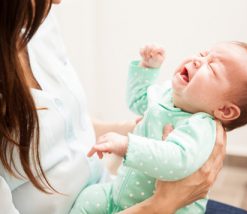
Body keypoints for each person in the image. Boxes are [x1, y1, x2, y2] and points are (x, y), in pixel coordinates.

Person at [0, 1, 229, 214]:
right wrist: (162, 204)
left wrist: (134, 129)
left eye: (213, 69)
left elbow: (61, 121)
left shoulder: (38, 17)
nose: (59, 2)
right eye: (202, 55)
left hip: (111, 191)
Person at [71, 42, 247, 214]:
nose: (198, 60)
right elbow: (138, 101)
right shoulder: (168, 94)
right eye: (203, 54)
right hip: (119, 193)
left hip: (170, 210)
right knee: (88, 199)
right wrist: (147, 69)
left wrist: (127, 146)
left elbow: (175, 160)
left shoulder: (201, 127)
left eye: (212, 68)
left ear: (224, 110)